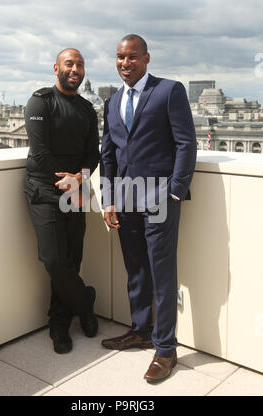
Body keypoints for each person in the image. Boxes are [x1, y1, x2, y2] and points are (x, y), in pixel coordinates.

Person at [100, 34, 197, 382]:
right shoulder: (111, 101)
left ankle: (166, 349)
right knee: (136, 268)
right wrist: (108, 197)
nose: (125, 63)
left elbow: (187, 143)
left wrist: (174, 192)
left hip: (159, 199)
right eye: (120, 57)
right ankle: (141, 330)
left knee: (161, 272)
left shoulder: (169, 91)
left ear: (146, 58)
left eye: (132, 57)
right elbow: (108, 153)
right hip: (125, 199)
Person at [24, 48, 100, 354]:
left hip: (76, 191)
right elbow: (39, 151)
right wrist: (67, 179)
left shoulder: (87, 110)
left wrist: (78, 178)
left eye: (80, 65)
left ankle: (59, 326)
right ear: (56, 67)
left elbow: (92, 155)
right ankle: (85, 302)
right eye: (70, 63)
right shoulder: (40, 101)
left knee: (71, 260)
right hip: (44, 190)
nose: (75, 69)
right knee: (53, 260)